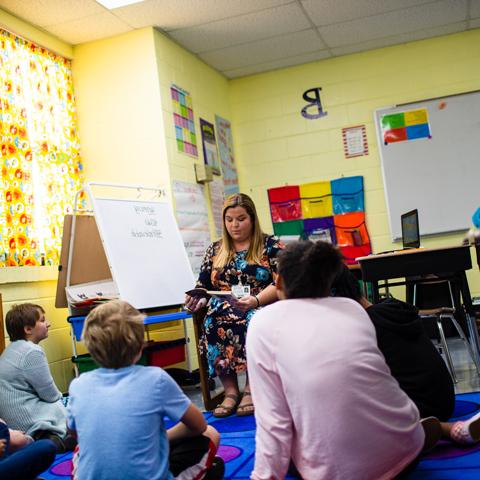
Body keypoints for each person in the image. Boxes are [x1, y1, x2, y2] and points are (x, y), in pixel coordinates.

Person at [247, 241, 440, 480]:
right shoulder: (353, 308)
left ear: (278, 282)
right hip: (410, 448)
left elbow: (273, 421)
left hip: (343, 473)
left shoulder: (263, 323)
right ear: (329, 281)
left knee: (290, 443)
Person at [67, 300, 224, 480]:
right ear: (141, 345)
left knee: (83, 449)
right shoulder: (155, 379)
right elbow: (199, 426)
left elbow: (75, 432)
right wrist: (163, 437)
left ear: (89, 345)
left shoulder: (78, 385)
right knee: (211, 434)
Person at [332, 265, 480, 445]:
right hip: (445, 399)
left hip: (415, 410)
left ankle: (432, 430)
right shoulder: (393, 309)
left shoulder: (361, 327)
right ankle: (438, 429)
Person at [185, 193, 284, 417]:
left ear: (252, 219)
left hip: (260, 304)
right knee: (211, 320)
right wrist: (198, 298)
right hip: (223, 308)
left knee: (252, 319)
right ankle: (230, 391)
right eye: (229, 220)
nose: (234, 225)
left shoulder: (270, 245)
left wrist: (255, 300)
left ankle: (251, 388)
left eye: (241, 219)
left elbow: (282, 281)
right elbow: (203, 284)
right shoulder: (215, 250)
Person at [0, 303, 74, 453]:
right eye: (42, 320)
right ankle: (57, 440)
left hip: (15, 423)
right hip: (32, 423)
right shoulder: (31, 351)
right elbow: (51, 395)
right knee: (73, 406)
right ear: (28, 329)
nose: (48, 324)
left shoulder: (10, 350)